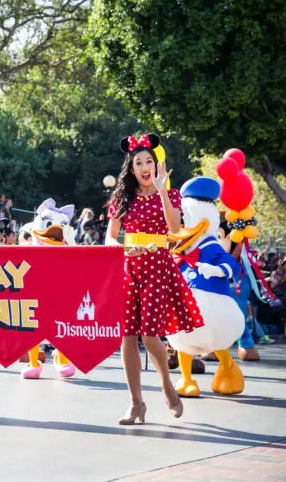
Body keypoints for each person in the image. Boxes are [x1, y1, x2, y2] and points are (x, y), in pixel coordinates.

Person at [105, 133, 202, 425]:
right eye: (139, 162)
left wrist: (161, 191)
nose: (145, 166)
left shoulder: (169, 195)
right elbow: (110, 237)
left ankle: (166, 383)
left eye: (149, 160)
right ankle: (136, 403)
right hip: (129, 267)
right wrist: (123, 248)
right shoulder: (122, 197)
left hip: (158, 266)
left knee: (150, 335)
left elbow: (174, 229)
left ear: (156, 165)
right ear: (131, 169)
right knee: (128, 336)